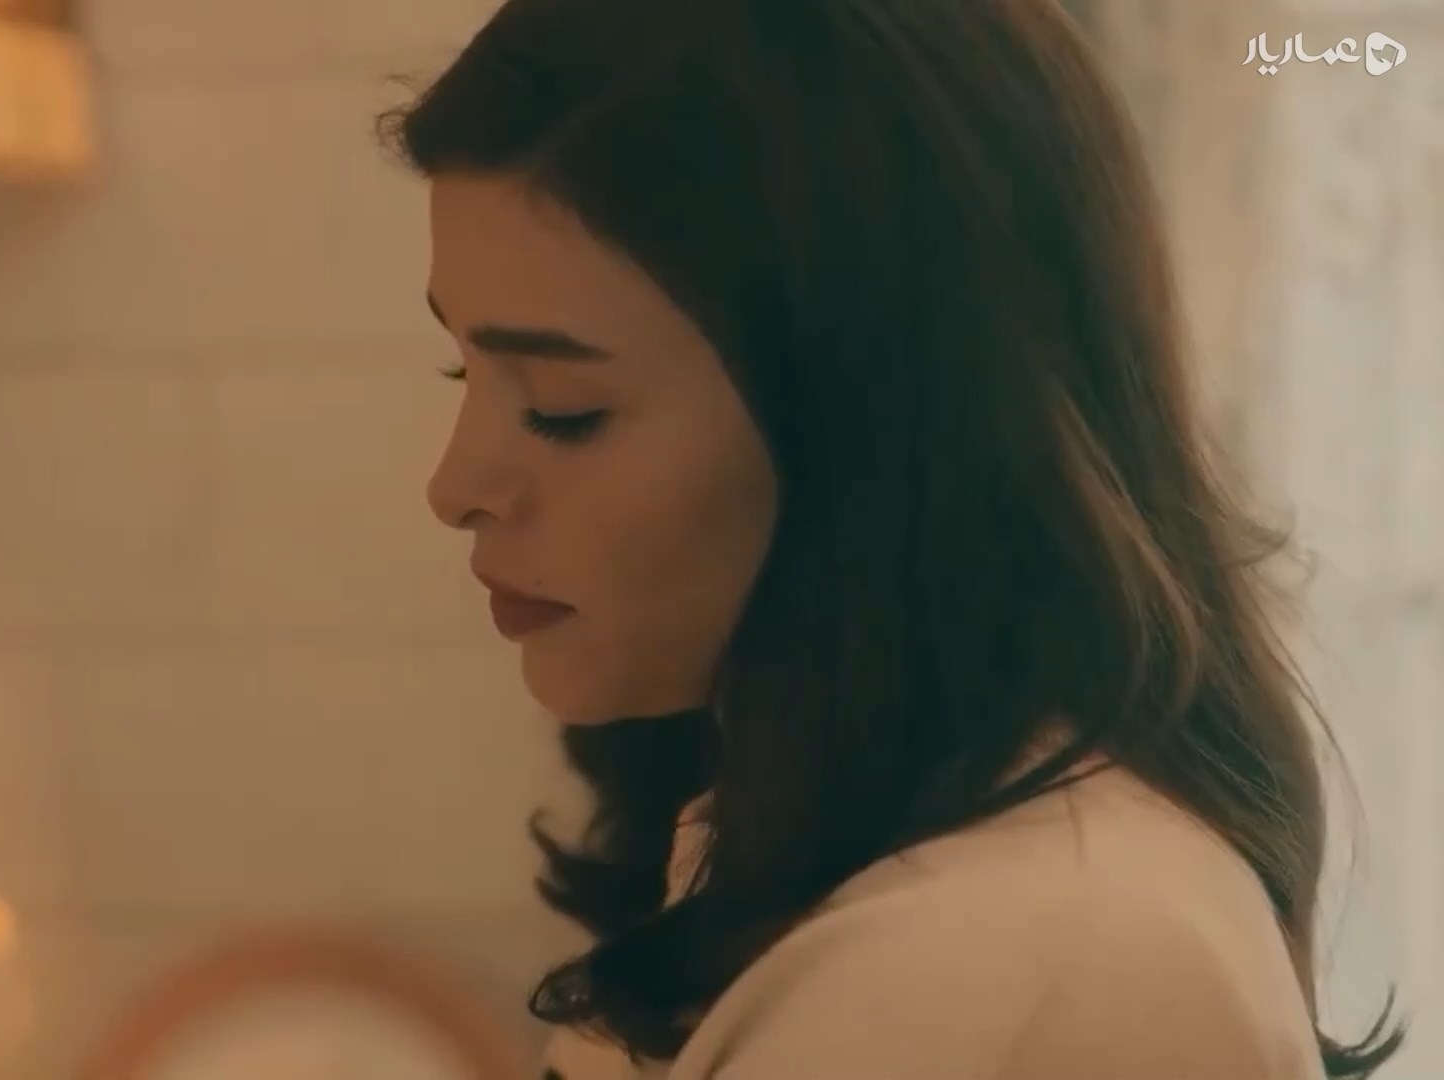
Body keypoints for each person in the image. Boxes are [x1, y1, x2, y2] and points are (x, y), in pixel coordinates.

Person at [375, 0, 1411, 1077]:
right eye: (463, 369)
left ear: (875, 424)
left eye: (561, 408)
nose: (455, 488)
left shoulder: (1020, 968)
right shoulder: (825, 855)